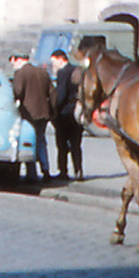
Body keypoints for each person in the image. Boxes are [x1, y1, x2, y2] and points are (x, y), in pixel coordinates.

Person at [11, 51, 54, 182]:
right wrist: (52, 112)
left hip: (28, 114)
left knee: (28, 140)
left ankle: (32, 174)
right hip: (43, 113)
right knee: (41, 141)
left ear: (18, 59)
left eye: (13, 61)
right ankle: (46, 170)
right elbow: (53, 93)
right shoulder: (43, 73)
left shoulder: (20, 73)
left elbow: (17, 92)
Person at [49, 48, 85, 181]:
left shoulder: (63, 73)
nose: (53, 65)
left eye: (54, 62)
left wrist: (53, 109)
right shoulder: (76, 70)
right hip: (76, 111)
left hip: (64, 114)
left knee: (62, 145)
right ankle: (78, 170)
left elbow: (61, 95)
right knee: (76, 145)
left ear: (60, 59)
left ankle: (63, 171)